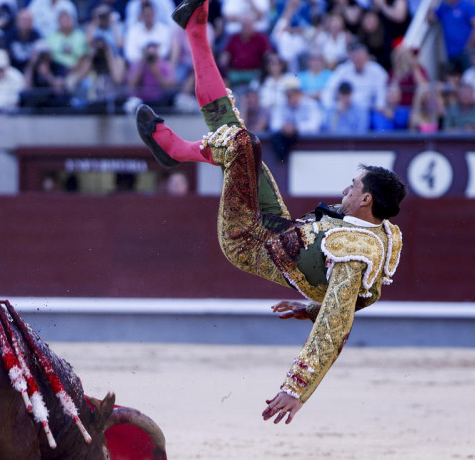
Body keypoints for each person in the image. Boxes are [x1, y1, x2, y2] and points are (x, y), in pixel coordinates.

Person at [136, 0, 406, 424]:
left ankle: (175, 151)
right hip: (279, 225)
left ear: (366, 199)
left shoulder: (356, 252)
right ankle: (194, 29)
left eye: (353, 187)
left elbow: (336, 327)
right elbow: (362, 298)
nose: (345, 190)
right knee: (231, 126)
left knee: (244, 145)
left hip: (247, 239)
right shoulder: (384, 234)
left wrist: (295, 389)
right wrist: (312, 305)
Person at [320, 44, 389, 111]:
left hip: (369, 109)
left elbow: (381, 93)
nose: (358, 60)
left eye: (361, 58)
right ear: (350, 58)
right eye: (355, 58)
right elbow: (329, 89)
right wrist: (332, 106)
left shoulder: (377, 71)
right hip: (345, 109)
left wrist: (379, 106)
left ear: (367, 57)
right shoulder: (342, 70)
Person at [219, 11, 271, 87]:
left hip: (255, 73)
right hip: (236, 74)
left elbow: (267, 54)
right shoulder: (233, 38)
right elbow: (225, 55)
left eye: (249, 25)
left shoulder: (261, 38)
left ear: (253, 25)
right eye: (244, 25)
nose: (246, 27)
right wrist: (223, 61)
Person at [431, 0, 475, 73]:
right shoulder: (443, 7)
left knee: (469, 78)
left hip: (466, 52)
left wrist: (469, 45)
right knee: (454, 80)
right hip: (451, 52)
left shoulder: (468, 5)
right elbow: (431, 18)